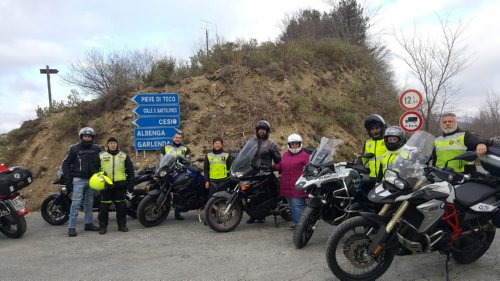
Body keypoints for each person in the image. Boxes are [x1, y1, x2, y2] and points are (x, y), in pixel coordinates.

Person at [62, 127, 101, 237]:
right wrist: (68, 181)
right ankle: (71, 227)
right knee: (75, 203)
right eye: (85, 136)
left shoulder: (97, 148)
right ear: (81, 137)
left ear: (92, 138)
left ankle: (88, 224)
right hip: (78, 179)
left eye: (89, 136)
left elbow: (101, 162)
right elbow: (65, 164)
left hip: (92, 180)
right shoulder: (74, 148)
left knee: (89, 203)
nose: (87, 138)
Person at [97, 137, 135, 234]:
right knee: (104, 208)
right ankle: (103, 227)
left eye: (114, 143)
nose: (113, 145)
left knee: (121, 207)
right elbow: (94, 169)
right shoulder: (101, 155)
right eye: (111, 143)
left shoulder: (123, 156)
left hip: (120, 185)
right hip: (106, 185)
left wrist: (131, 184)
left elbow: (130, 171)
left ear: (117, 144)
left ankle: (122, 225)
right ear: (107, 145)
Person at [246, 120, 281, 224]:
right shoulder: (252, 142)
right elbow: (246, 156)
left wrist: (281, 173)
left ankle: (267, 212)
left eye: (263, 130)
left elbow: (278, 160)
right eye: (260, 130)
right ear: (257, 131)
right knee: (253, 195)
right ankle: (254, 215)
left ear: (267, 131)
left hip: (266, 173)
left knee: (270, 193)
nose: (261, 131)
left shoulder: (271, 144)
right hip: (253, 173)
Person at [274, 134, 309, 230]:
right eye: (292, 144)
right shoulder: (285, 155)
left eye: (297, 144)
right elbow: (280, 166)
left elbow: (311, 168)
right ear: (289, 144)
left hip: (298, 187)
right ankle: (296, 223)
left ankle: (300, 227)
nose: (295, 146)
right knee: (292, 207)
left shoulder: (305, 156)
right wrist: (271, 167)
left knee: (297, 206)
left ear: (300, 144)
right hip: (286, 186)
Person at [159, 130, 191, 220]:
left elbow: (188, 161)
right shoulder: (166, 147)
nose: (178, 139)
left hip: (179, 172)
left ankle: (178, 212)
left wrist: (185, 161)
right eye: (176, 137)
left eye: (179, 138)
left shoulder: (185, 148)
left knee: (178, 192)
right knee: (164, 189)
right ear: (173, 138)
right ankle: (162, 211)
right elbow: (161, 160)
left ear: (181, 139)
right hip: (168, 171)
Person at [359, 114, 387, 186]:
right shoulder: (368, 142)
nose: (374, 131)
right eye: (372, 129)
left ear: (382, 128)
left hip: (386, 178)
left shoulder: (388, 140)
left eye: (377, 128)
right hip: (372, 177)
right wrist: (355, 167)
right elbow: (363, 158)